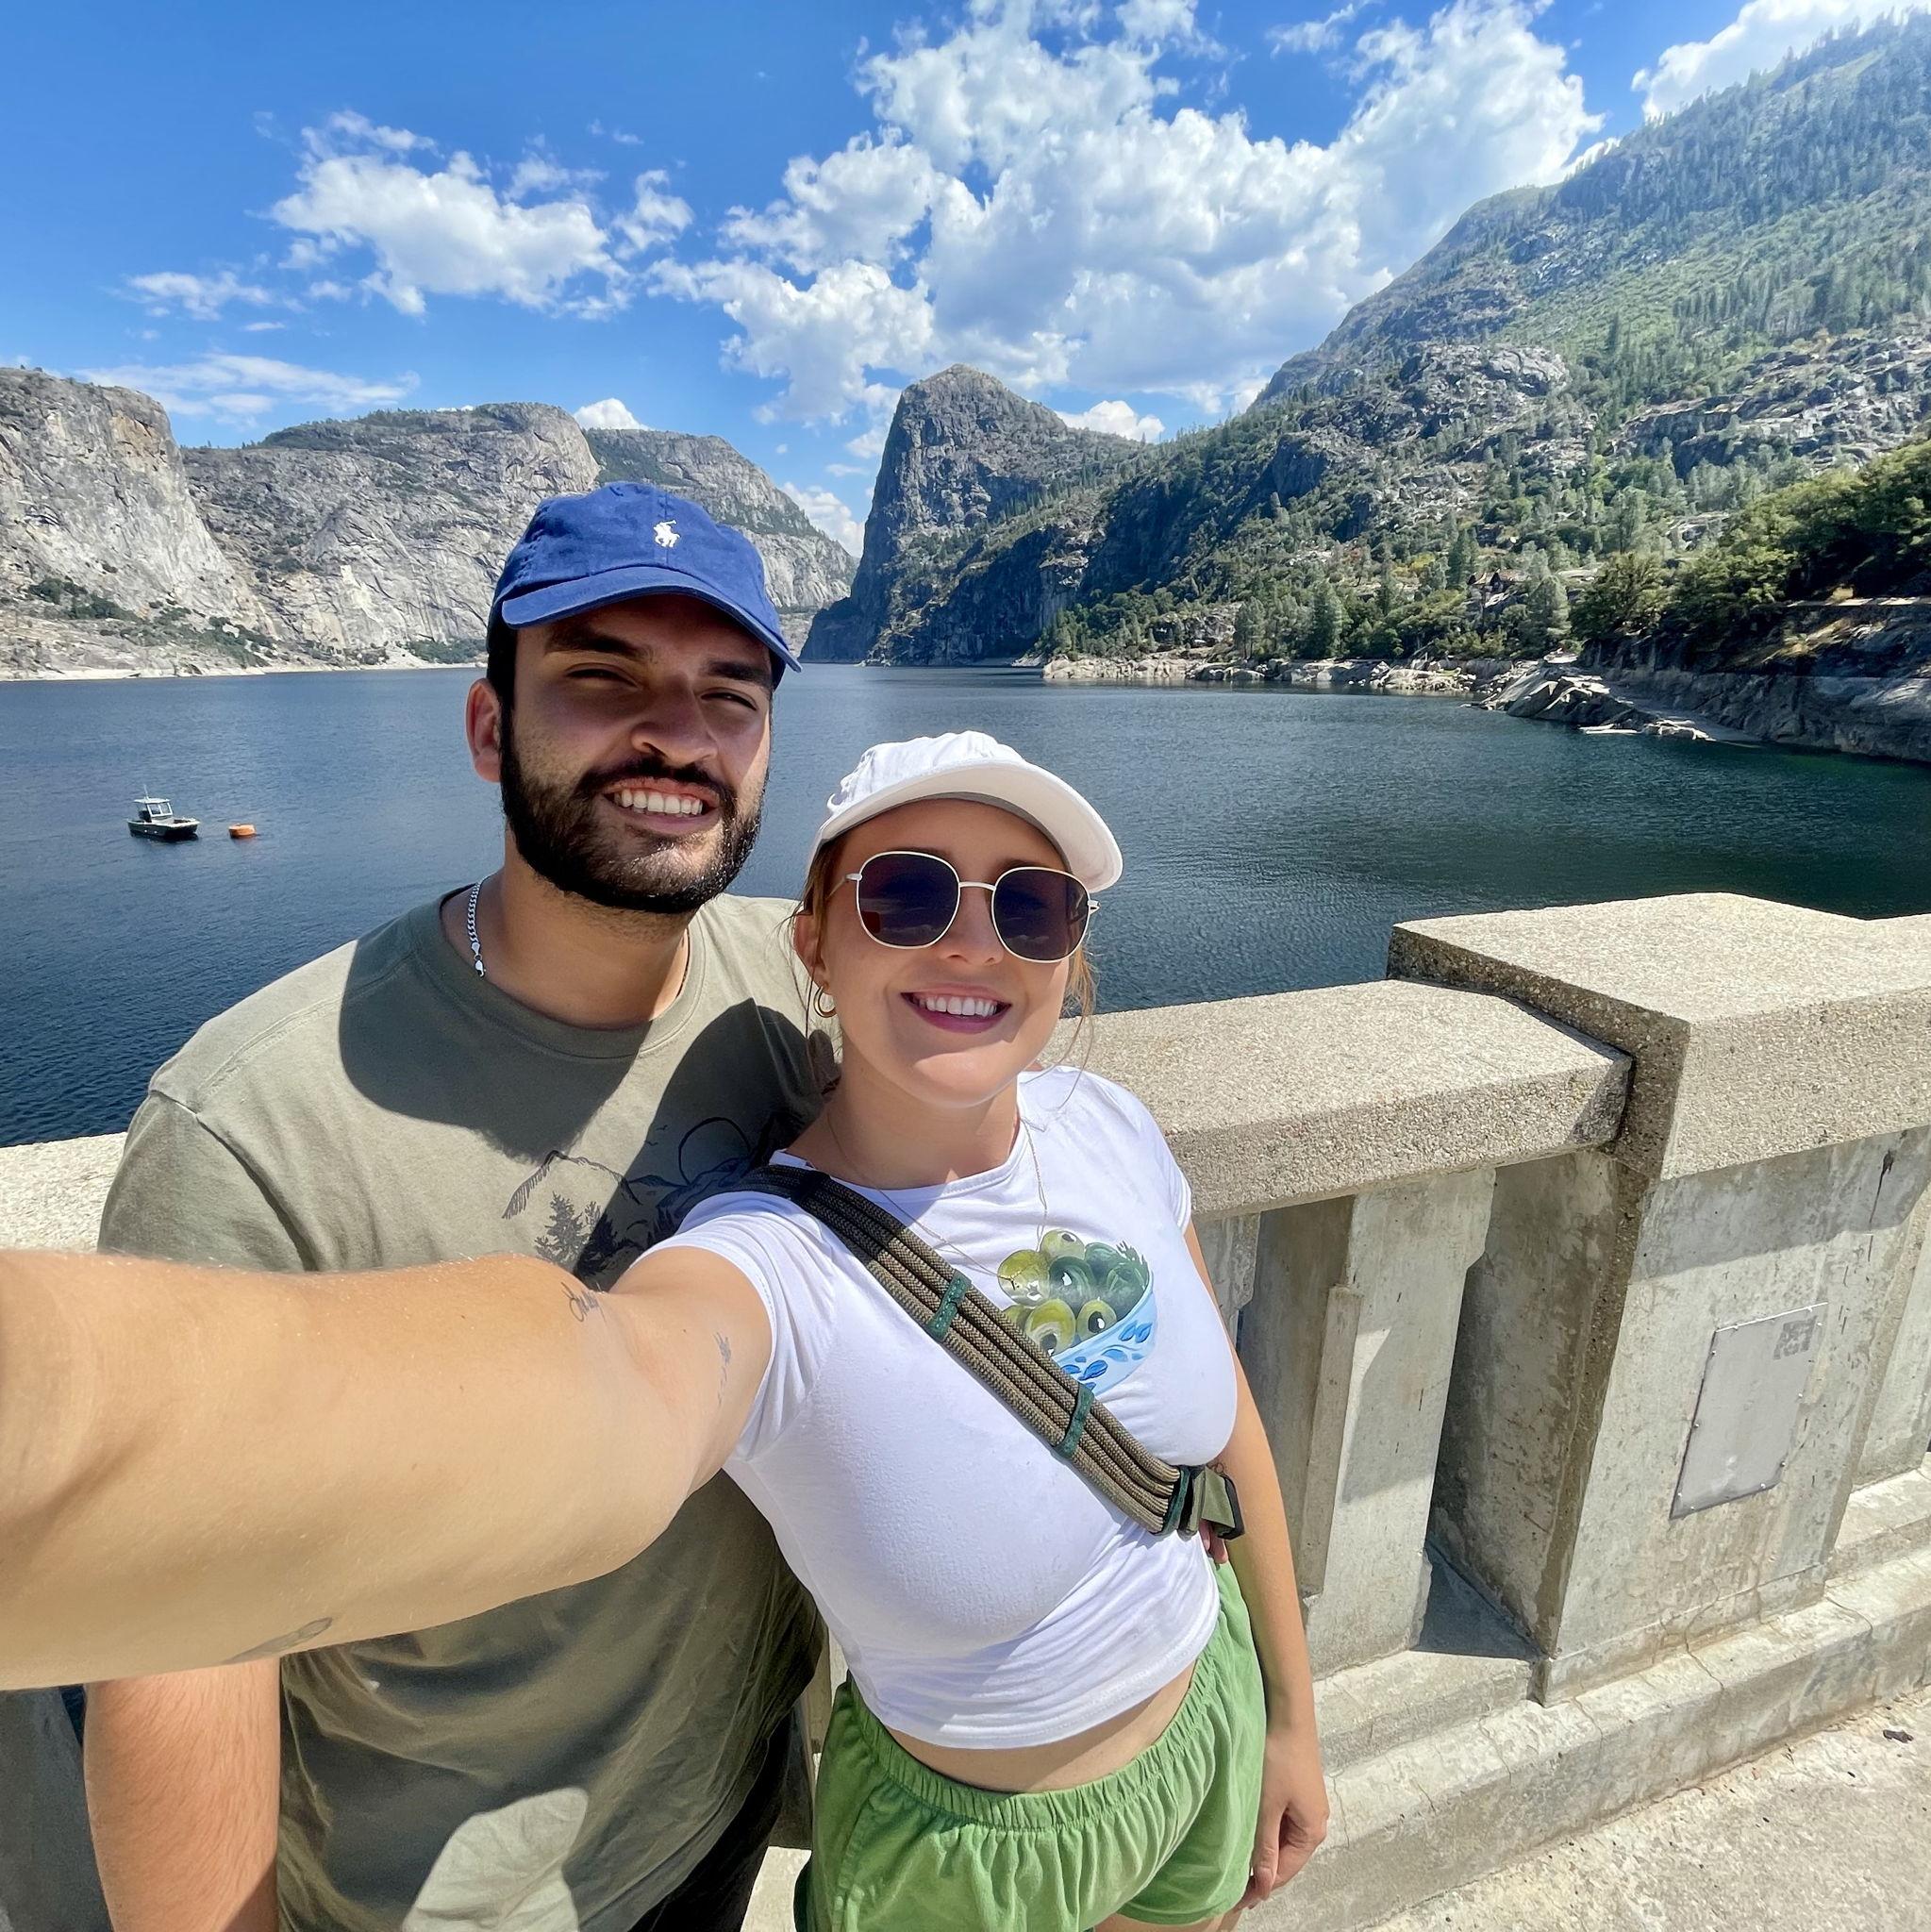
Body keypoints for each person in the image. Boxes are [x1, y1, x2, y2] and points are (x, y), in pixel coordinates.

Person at [6, 733, 1329, 1930]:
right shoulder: (767, 1264)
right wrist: (89, 1420)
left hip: (1205, 1718)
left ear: (1071, 954)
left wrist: (1288, 1714)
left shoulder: (1110, 1129)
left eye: (1031, 907)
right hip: (973, 1863)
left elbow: (1226, 1433)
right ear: (814, 947)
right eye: (906, 896)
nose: (973, 943)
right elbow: (609, 1386)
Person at [82, 481, 831, 1932]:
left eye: (728, 697)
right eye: (602, 679)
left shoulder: (794, 989)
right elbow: (176, 1651)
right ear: (491, 729)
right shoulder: (258, 1123)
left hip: (724, 1808)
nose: (676, 735)